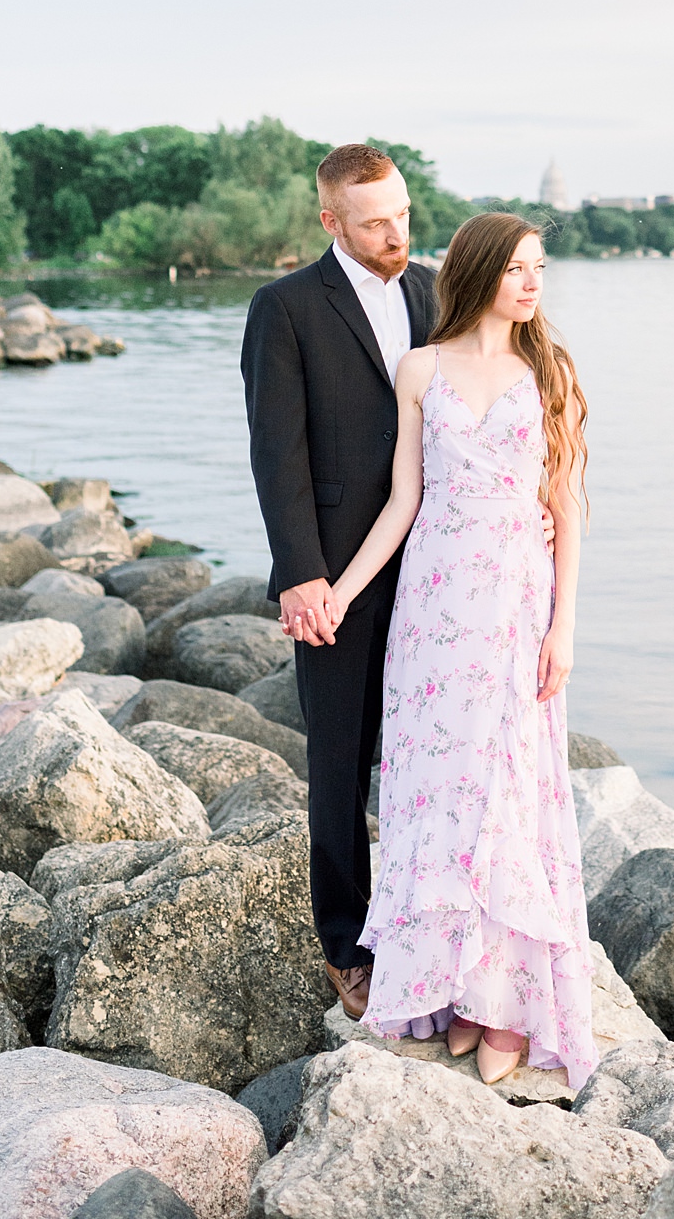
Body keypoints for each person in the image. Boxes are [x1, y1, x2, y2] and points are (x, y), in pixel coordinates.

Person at [327, 210, 595, 1090]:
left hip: (515, 609)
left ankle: (503, 1005)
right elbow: (402, 501)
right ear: (479, 274)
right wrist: (341, 589)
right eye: (518, 269)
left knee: (508, 792)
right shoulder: (420, 370)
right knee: (434, 793)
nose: (532, 285)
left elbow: (570, 508)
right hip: (432, 613)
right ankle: (444, 989)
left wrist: (563, 625)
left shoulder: (548, 372)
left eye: (540, 270)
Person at [241, 144, 443, 1019]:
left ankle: (421, 923)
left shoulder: (437, 290)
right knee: (339, 755)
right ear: (331, 223)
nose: (395, 234)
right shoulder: (284, 308)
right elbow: (274, 450)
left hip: (440, 560)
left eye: (402, 214)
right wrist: (301, 577)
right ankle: (345, 940)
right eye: (374, 223)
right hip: (337, 572)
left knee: (425, 751)